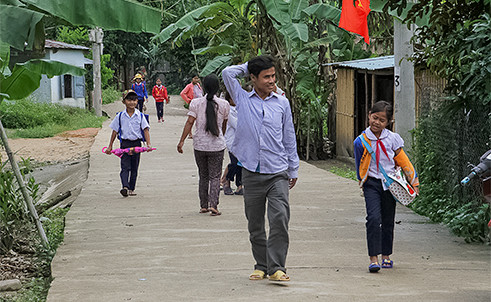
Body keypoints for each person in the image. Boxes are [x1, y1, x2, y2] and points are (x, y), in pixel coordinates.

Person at [222, 55, 299, 282]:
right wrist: (250, 67)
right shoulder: (243, 99)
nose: (271, 80)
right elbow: (228, 73)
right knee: (255, 223)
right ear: (253, 78)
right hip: (251, 171)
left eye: (273, 75)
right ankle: (261, 265)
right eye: (266, 76)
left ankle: (277, 267)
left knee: (279, 219)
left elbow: (289, 137)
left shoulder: (282, 102)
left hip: (278, 172)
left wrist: (293, 168)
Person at [353, 101, 419, 273]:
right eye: (375, 118)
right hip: (372, 184)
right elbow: (358, 163)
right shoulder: (360, 141)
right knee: (373, 219)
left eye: (382, 120)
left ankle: (386, 256)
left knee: (388, 220)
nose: (377, 122)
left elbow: (403, 161)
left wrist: (414, 181)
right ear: (369, 115)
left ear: (388, 122)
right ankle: (373, 258)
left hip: (391, 184)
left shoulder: (392, 139)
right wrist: (362, 180)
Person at [177, 74, 230, 216]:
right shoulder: (224, 104)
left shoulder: (195, 103)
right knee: (215, 176)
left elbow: (189, 122)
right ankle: (214, 205)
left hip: (199, 145)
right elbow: (223, 126)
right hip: (217, 146)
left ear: (203, 87)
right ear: (218, 87)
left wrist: (181, 141)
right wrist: (221, 137)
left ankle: (203, 206)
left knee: (204, 176)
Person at [106, 90, 152, 197]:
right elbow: (114, 131)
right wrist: (110, 146)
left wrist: (148, 144)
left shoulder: (140, 116)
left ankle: (132, 188)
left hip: (137, 144)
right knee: (125, 166)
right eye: (129, 100)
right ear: (124, 102)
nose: (132, 102)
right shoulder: (120, 116)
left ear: (137, 101)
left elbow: (145, 130)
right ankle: (125, 187)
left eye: (134, 100)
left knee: (134, 167)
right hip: (125, 144)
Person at [222, 91, 243, 195]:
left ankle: (239, 185)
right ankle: (226, 180)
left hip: (242, 141)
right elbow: (236, 124)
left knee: (241, 164)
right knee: (234, 163)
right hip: (232, 141)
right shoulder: (228, 110)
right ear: (229, 99)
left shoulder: (241, 108)